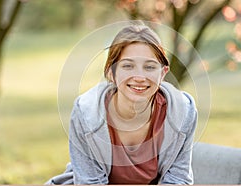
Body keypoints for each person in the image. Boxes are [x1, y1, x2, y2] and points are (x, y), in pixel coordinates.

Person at [46, 23, 197, 185]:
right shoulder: (86, 112)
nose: (139, 77)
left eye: (149, 67)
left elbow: (178, 179)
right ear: (111, 72)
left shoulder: (183, 111)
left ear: (162, 73)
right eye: (128, 66)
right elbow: (90, 182)